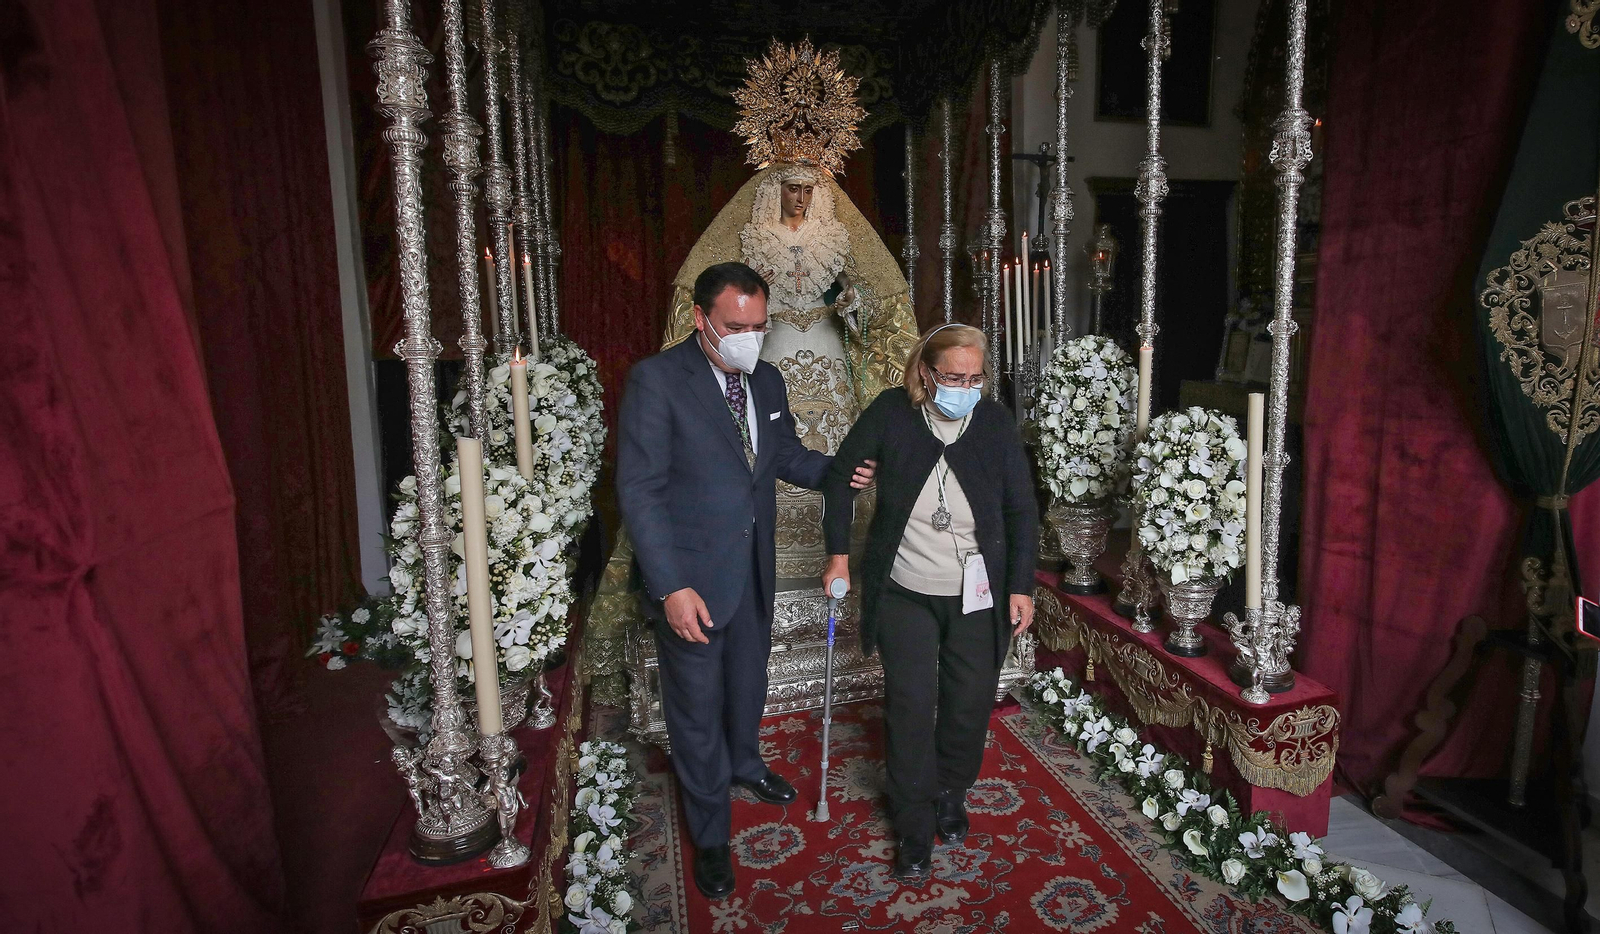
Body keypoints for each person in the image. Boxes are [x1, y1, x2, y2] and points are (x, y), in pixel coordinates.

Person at [616, 261, 875, 899]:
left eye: (759, 327)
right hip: (693, 584)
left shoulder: (767, 379)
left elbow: (781, 456)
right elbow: (641, 493)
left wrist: (840, 470)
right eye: (737, 327)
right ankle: (710, 836)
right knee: (696, 714)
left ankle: (746, 764)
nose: (750, 339)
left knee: (747, 686)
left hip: (751, 573)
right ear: (702, 319)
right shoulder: (657, 381)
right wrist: (670, 585)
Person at [821, 323, 1038, 883]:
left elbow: (1021, 509)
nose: (965, 386)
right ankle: (914, 819)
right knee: (912, 704)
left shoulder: (990, 422)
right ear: (926, 372)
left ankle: (950, 791)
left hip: (977, 591)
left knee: (969, 703)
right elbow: (843, 474)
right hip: (905, 590)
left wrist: (1021, 585)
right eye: (953, 376)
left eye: (975, 377)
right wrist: (840, 555)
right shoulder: (893, 412)